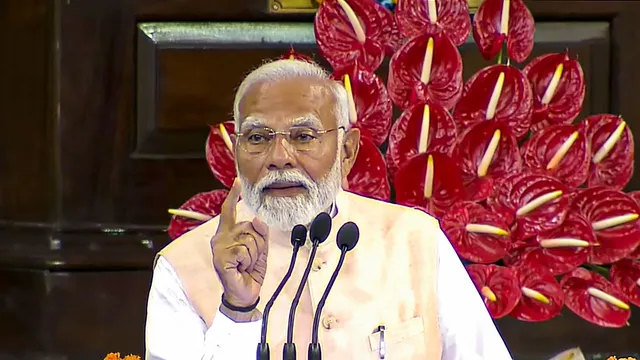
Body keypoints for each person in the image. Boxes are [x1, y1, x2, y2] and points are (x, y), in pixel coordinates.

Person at [144, 59, 512, 360]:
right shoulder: (183, 265)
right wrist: (238, 309)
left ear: (347, 151)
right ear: (236, 150)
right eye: (257, 138)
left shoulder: (415, 239)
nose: (279, 158)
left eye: (303, 137)